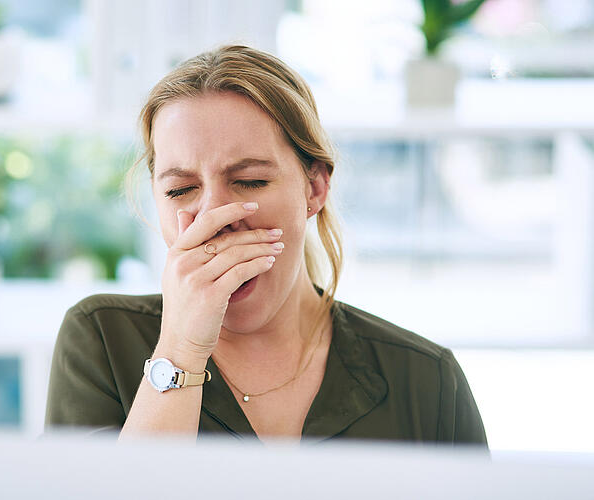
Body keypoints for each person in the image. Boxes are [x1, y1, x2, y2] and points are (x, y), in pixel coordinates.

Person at [45, 44, 487, 446]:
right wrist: (180, 350)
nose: (216, 219)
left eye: (249, 181)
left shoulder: (427, 380)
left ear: (314, 187)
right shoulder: (100, 339)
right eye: (180, 190)